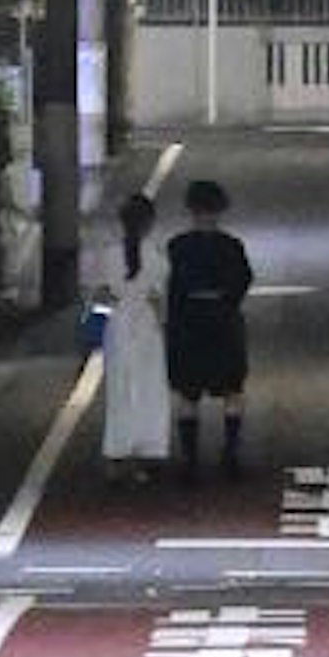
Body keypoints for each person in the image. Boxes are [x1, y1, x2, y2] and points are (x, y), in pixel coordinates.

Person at [162, 169, 255, 481]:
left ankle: (190, 460)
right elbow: (243, 281)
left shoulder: (177, 247)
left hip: (189, 326)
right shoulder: (231, 246)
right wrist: (226, 302)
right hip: (223, 324)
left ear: (191, 210)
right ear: (219, 210)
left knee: (188, 394)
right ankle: (230, 452)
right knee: (232, 391)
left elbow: (171, 289)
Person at [99, 186, 172, 476]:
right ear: (150, 223)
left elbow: (103, 295)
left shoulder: (109, 255)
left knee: (119, 391)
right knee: (150, 388)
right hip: (146, 326)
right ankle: (148, 451)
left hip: (117, 325)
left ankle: (116, 453)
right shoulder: (156, 257)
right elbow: (158, 297)